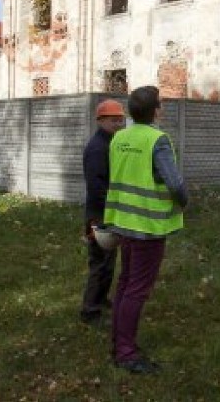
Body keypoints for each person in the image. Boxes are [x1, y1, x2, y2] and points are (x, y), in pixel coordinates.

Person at [104, 86, 188, 374]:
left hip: (123, 221)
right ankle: (126, 353)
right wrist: (185, 201)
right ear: (155, 110)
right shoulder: (157, 140)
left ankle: (118, 341)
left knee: (126, 283)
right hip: (148, 226)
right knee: (136, 289)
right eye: (161, 105)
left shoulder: (119, 138)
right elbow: (175, 184)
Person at [80, 99, 127, 325]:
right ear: (100, 121)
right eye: (113, 120)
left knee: (108, 261)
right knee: (99, 263)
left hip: (109, 213)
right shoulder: (97, 148)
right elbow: (96, 187)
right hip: (99, 215)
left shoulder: (112, 142)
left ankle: (100, 299)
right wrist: (110, 212)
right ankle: (90, 311)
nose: (118, 123)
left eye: (120, 119)